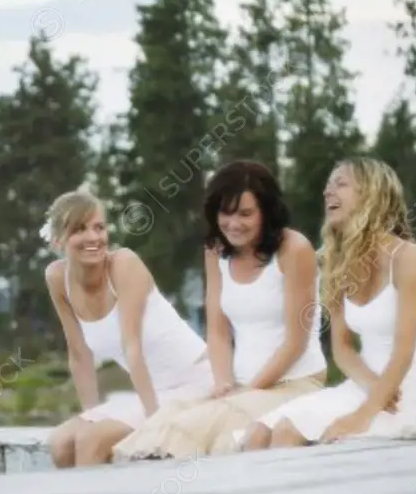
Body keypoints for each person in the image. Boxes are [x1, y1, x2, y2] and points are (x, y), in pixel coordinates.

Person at [112, 160, 327, 461]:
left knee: (196, 431)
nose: (233, 223)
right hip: (240, 387)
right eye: (225, 213)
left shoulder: (295, 249)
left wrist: (250, 390)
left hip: (294, 385)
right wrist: (224, 383)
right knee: (163, 421)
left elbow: (295, 343)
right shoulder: (216, 249)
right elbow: (217, 330)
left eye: (245, 213)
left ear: (267, 211)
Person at [240, 157, 416, 449]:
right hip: (365, 385)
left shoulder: (409, 259)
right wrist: (370, 386)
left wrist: (363, 415)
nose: (327, 192)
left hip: (404, 395)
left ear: (372, 193)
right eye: (327, 186)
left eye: (340, 184)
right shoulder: (337, 263)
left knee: (288, 434)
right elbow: (342, 348)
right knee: (259, 432)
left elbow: (403, 353)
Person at [43, 189, 214, 468]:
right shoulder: (56, 278)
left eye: (99, 227)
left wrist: (154, 422)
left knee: (91, 440)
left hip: (195, 382)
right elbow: (79, 353)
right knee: (61, 443)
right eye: (79, 229)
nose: (93, 238)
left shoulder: (123, 264)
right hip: (153, 388)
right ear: (58, 240)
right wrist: (92, 413)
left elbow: (132, 347)